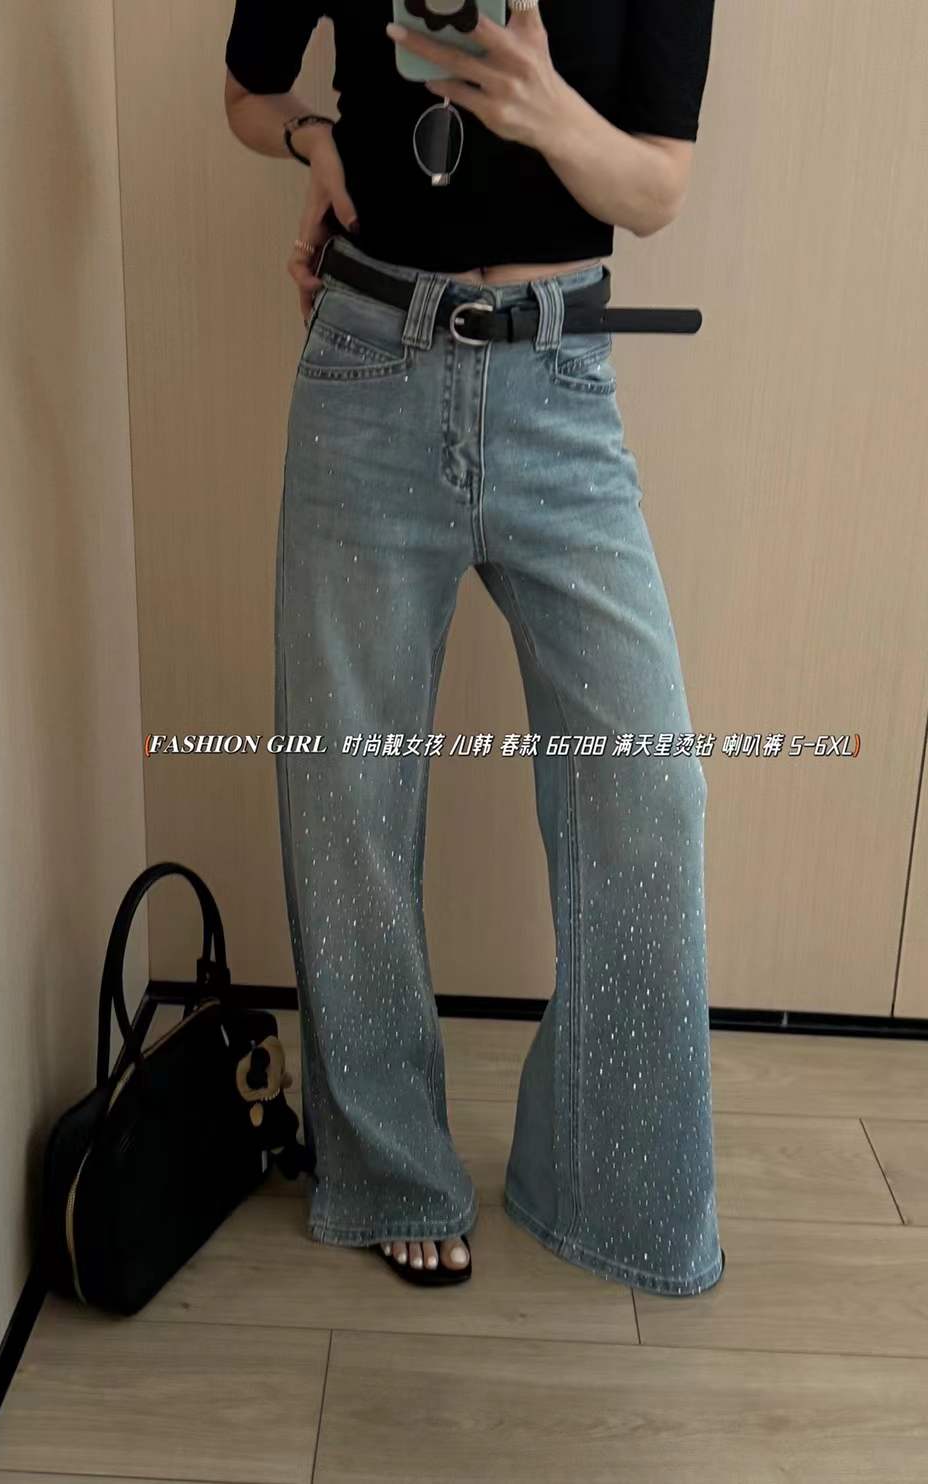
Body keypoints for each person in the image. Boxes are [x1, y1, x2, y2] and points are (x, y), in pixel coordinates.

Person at [224, 0, 725, 1294]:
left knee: (648, 788)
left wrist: (542, 110)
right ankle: (389, 1170)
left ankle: (609, 1188)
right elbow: (248, 93)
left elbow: (659, 187)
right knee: (348, 794)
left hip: (562, 382)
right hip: (365, 366)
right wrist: (315, 142)